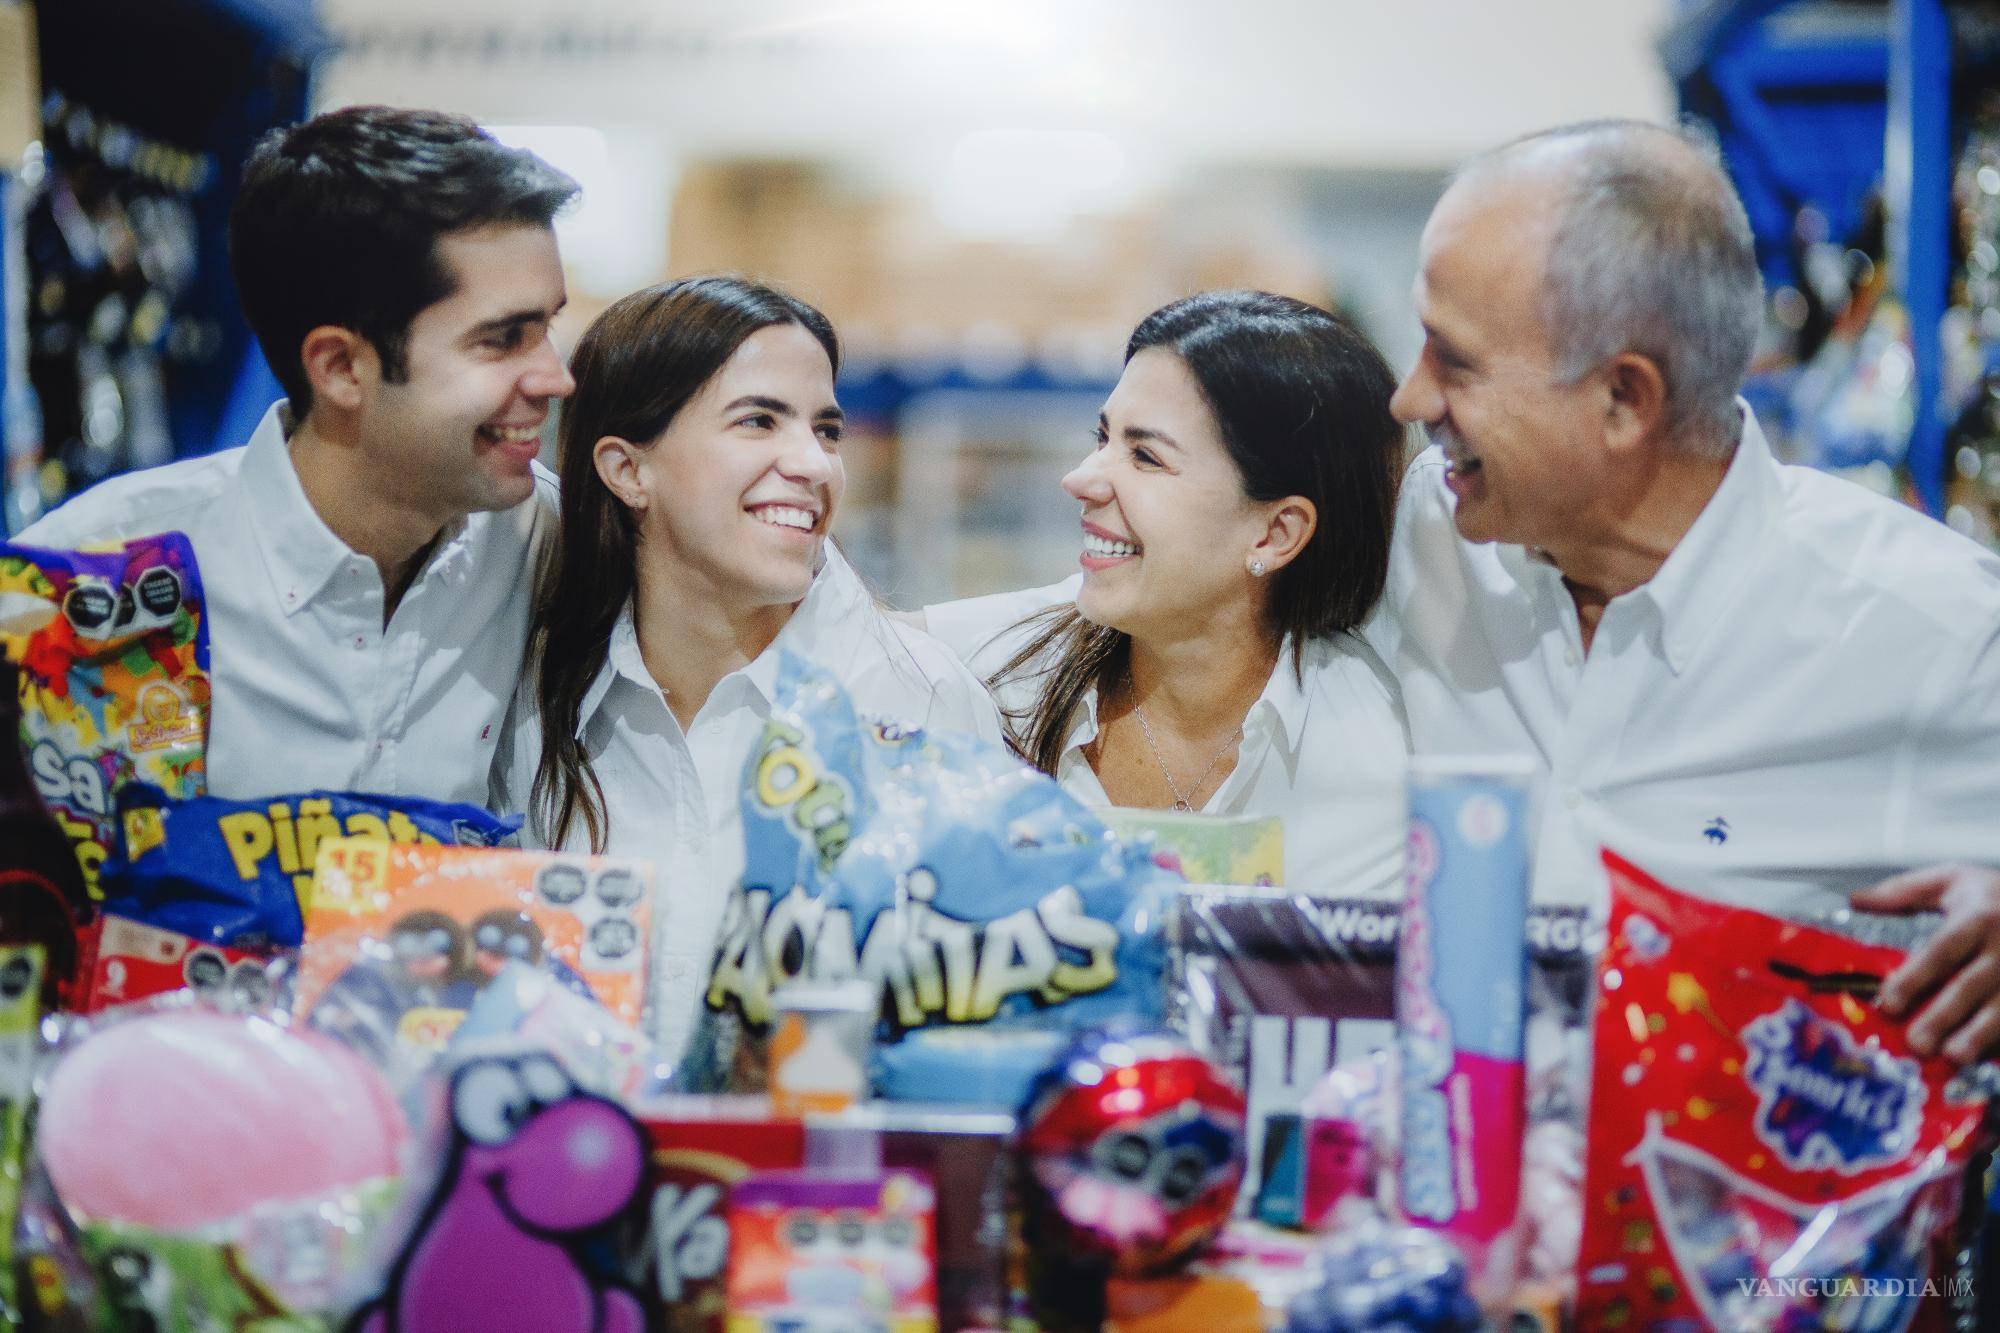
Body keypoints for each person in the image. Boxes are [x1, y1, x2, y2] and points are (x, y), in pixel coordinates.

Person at [1371, 118, 2000, 1063]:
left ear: (1625, 399)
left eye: (1452, 360)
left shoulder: (1936, 636)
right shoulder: (1419, 539)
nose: (1410, 401)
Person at [493, 276, 1000, 1061]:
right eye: (759, 420)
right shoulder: (529, 700)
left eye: (826, 430)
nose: (813, 464)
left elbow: (983, 1019)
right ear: (628, 470)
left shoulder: (920, 701)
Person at [20, 106, 578, 805]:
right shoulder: (85, 574)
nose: (557, 378)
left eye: (547, 327)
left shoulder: (558, 551)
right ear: (342, 367)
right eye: (503, 338)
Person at [921, 290, 1409, 899]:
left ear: (1276, 532)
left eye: (1145, 456)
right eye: (1103, 438)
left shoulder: (1381, 762)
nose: (1081, 478)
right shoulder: (987, 669)